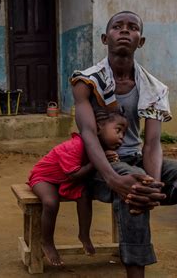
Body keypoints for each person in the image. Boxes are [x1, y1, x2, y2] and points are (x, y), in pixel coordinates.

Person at [71, 11, 177, 278]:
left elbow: (151, 144)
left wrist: (155, 184)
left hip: (134, 161)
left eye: (132, 27)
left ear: (142, 40)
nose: (125, 31)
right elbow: (89, 134)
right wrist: (113, 178)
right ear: (105, 38)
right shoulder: (87, 81)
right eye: (117, 26)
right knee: (133, 181)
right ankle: (136, 274)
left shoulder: (153, 87)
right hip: (97, 166)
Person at [28, 109, 128, 266]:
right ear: (99, 127)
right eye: (118, 130)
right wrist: (98, 161)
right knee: (50, 202)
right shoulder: (76, 145)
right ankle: (47, 242)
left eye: (124, 133)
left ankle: (84, 234)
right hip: (45, 177)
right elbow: (74, 175)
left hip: (67, 179)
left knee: (85, 195)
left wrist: (106, 159)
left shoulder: (99, 149)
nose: (122, 137)